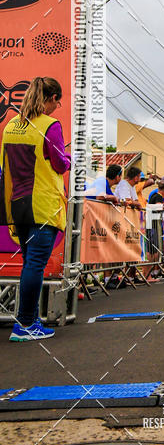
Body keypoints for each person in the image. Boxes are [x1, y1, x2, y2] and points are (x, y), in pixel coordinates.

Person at [0, 77, 70, 341]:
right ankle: (26, 324)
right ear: (50, 98)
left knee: (29, 264)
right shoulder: (50, 126)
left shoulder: (11, 125)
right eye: (57, 101)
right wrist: (68, 158)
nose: (57, 107)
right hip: (42, 205)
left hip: (17, 204)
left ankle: (28, 319)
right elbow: (60, 164)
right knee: (35, 265)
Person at [145, 178, 164, 279]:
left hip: (151, 224)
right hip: (153, 225)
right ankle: (154, 270)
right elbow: (159, 207)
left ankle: (154, 270)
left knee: (153, 248)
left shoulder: (155, 195)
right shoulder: (158, 196)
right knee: (154, 248)